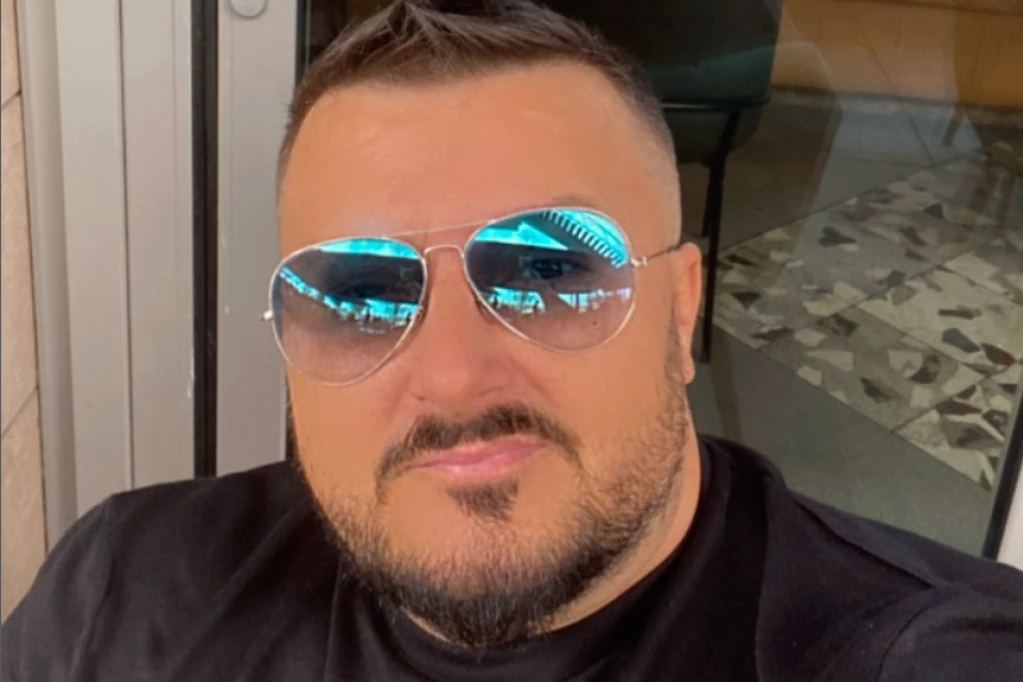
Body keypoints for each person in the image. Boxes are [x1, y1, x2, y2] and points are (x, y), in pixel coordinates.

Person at [3, 1, 1022, 680]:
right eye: (359, 294)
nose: (452, 377)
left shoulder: (919, 651)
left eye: (547, 273)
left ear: (681, 311)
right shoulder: (122, 597)